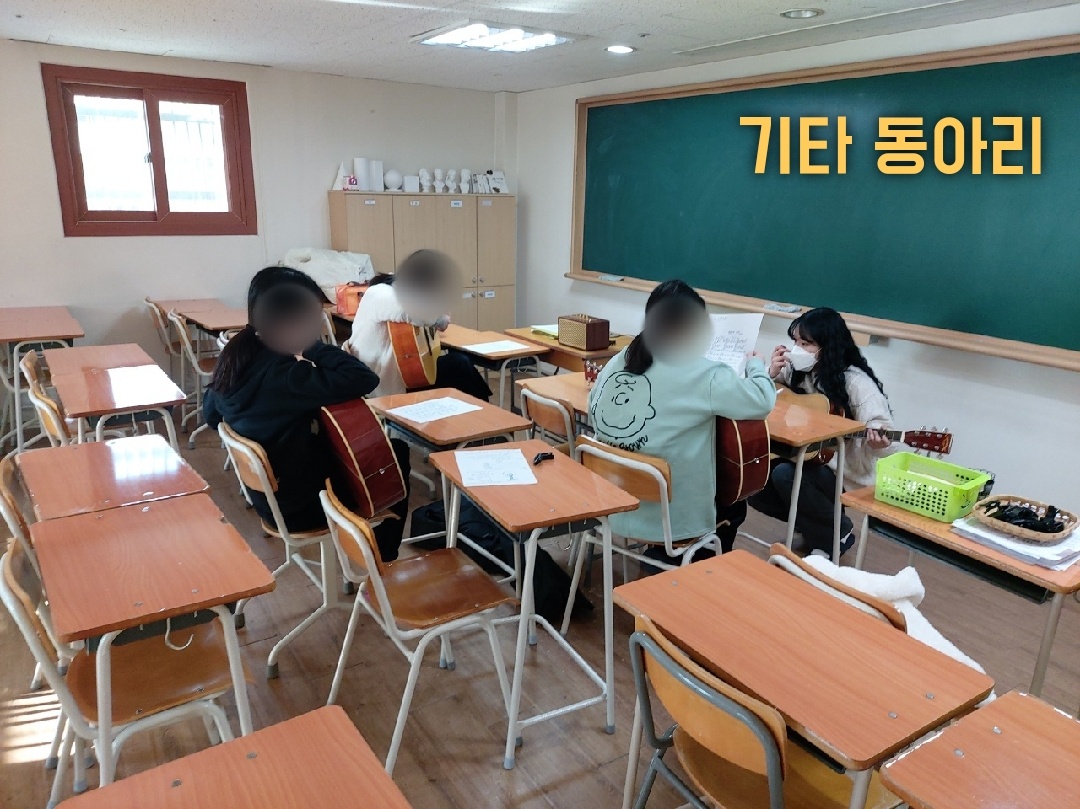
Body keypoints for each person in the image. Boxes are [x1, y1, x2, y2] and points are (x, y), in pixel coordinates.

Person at [204, 266, 411, 560]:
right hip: (302, 508)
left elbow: (211, 416)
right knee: (395, 451)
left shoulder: (234, 356)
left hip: (268, 499)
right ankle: (383, 558)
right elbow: (364, 379)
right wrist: (310, 346)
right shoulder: (287, 377)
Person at [588, 279, 777, 570]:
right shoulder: (706, 374)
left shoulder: (620, 359)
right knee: (734, 501)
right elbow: (763, 400)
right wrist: (756, 364)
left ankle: (662, 562)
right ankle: (686, 572)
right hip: (670, 520)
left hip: (611, 502)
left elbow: (593, 410)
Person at [749, 306, 894, 557]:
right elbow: (760, 399)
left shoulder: (856, 383)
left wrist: (878, 441)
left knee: (786, 475)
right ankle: (813, 525)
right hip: (804, 458)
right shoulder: (793, 371)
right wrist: (769, 374)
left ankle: (835, 534)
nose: (797, 349)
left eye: (806, 344)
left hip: (842, 471)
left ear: (827, 347)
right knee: (753, 476)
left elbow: (886, 432)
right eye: (795, 342)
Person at [343, 249, 491, 400]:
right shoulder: (380, 292)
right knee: (459, 364)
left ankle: (481, 406)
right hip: (383, 383)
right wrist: (440, 319)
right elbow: (412, 312)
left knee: (460, 364)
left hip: (402, 370)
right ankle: (484, 408)